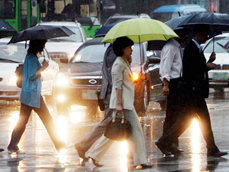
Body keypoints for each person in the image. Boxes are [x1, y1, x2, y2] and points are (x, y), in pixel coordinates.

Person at [155, 24, 228, 157]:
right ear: (199, 34)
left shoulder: (193, 48)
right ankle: (166, 141)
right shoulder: (189, 48)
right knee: (194, 119)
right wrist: (206, 66)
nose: (206, 37)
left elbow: (197, 65)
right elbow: (191, 69)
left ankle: (167, 141)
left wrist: (209, 61)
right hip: (193, 92)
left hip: (194, 91)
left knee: (188, 120)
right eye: (205, 35)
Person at [85, 37, 153, 169]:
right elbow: (118, 86)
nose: (131, 50)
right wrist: (119, 105)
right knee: (133, 131)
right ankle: (141, 160)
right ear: (123, 49)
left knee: (114, 132)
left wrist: (129, 64)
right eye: (129, 48)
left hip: (125, 103)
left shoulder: (124, 62)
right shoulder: (118, 64)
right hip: (122, 104)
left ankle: (93, 154)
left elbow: (127, 82)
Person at [7, 40, 65, 153]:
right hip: (33, 95)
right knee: (48, 120)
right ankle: (59, 143)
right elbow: (32, 76)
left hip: (27, 94)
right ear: (37, 45)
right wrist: (43, 67)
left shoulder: (29, 57)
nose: (43, 47)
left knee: (22, 121)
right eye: (42, 45)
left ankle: (13, 144)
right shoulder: (32, 59)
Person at [74, 44, 116, 167]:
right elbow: (114, 77)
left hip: (110, 94)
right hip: (111, 94)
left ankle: (85, 146)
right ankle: (85, 146)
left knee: (110, 124)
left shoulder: (110, 50)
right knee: (108, 123)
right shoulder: (113, 53)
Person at [155, 28, 187, 156]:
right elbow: (165, 68)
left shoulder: (177, 47)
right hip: (173, 83)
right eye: (184, 34)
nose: (186, 36)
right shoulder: (170, 47)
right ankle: (165, 142)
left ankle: (171, 143)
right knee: (172, 115)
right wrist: (166, 84)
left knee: (175, 115)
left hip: (178, 82)